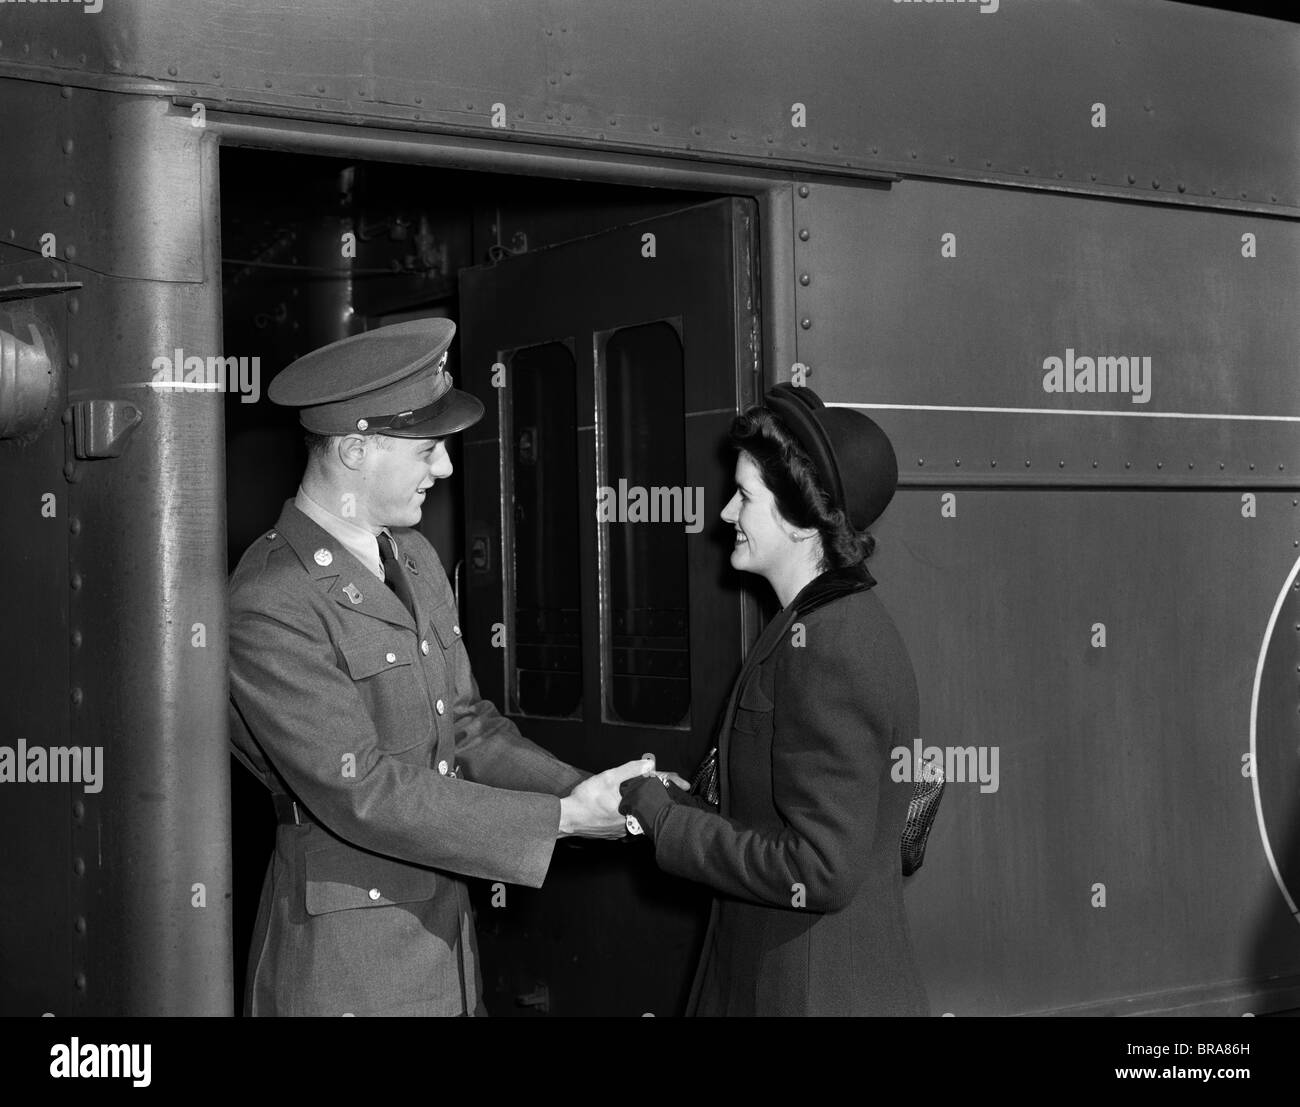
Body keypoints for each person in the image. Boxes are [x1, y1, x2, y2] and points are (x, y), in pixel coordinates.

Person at [228, 318, 650, 1016]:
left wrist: (590, 789)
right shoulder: (271, 598)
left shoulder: (415, 558)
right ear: (355, 449)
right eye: (427, 450)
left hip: (444, 941)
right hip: (349, 967)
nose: (446, 469)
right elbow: (360, 789)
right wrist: (559, 820)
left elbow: (469, 727)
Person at [619, 383, 930, 1016]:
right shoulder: (816, 624)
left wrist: (670, 824)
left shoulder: (833, 644)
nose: (727, 513)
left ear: (798, 519)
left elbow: (822, 867)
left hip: (809, 992)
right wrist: (686, 802)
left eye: (745, 497)